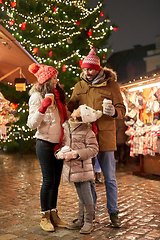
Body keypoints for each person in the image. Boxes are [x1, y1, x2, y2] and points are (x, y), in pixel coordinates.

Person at [67, 49, 126, 228]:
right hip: (86, 137)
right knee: (87, 177)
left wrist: (114, 111)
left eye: (91, 69)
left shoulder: (112, 85)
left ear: (97, 69)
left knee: (109, 177)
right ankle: (89, 214)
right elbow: (71, 107)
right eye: (85, 70)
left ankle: (113, 212)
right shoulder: (79, 86)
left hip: (105, 137)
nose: (87, 72)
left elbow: (122, 109)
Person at [27, 63, 68, 232]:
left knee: (56, 182)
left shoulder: (58, 97)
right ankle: (44, 216)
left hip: (59, 144)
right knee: (48, 181)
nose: (57, 81)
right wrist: (43, 107)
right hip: (44, 143)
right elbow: (31, 124)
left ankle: (53, 214)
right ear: (46, 81)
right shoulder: (36, 97)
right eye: (54, 78)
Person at [56, 105, 101, 234]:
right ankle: (81, 220)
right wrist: (60, 153)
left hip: (83, 168)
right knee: (80, 195)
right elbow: (64, 144)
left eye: (77, 110)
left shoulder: (87, 131)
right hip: (72, 167)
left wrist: (76, 153)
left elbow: (94, 149)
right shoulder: (67, 127)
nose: (74, 110)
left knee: (86, 195)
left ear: (80, 116)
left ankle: (88, 222)